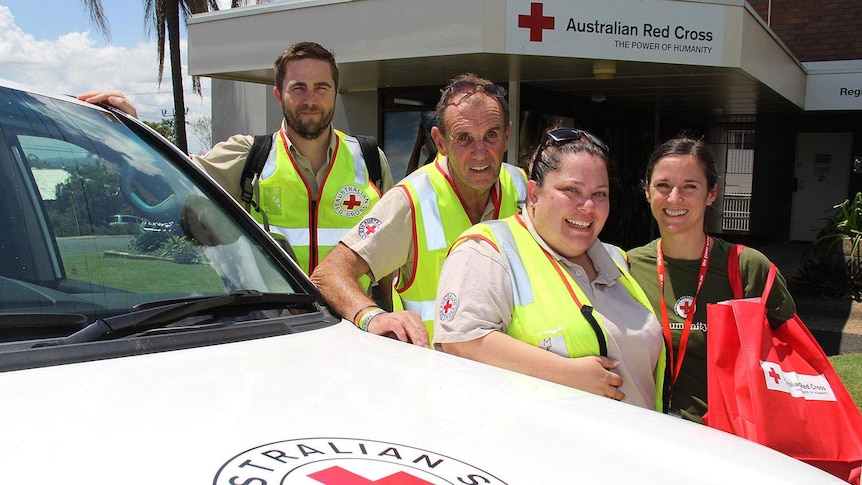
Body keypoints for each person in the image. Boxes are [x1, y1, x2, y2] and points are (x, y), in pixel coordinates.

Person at [78, 42, 393, 287]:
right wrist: (133, 129)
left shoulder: (369, 160)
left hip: (356, 331)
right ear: (278, 94)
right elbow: (171, 177)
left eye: (321, 87)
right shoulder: (248, 156)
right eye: (298, 88)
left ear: (336, 92)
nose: (310, 98)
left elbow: (395, 250)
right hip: (279, 328)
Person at [432, 127, 666, 410]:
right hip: (543, 446)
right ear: (533, 194)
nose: (588, 206)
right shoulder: (488, 250)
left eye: (600, 194)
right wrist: (567, 374)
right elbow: (462, 341)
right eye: (571, 190)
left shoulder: (616, 259)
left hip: (637, 443)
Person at [311, 73, 528, 347]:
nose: (480, 152)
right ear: (440, 142)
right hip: (434, 377)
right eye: (464, 138)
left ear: (507, 135)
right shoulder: (411, 199)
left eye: (491, 135)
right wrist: (372, 316)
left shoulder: (524, 189)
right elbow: (328, 274)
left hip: (516, 376)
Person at [627, 134, 796, 421]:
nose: (674, 198)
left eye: (689, 186)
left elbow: (793, 356)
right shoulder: (627, 266)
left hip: (731, 438)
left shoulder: (747, 268)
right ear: (647, 191)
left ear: (712, 194)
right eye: (663, 186)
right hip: (650, 432)